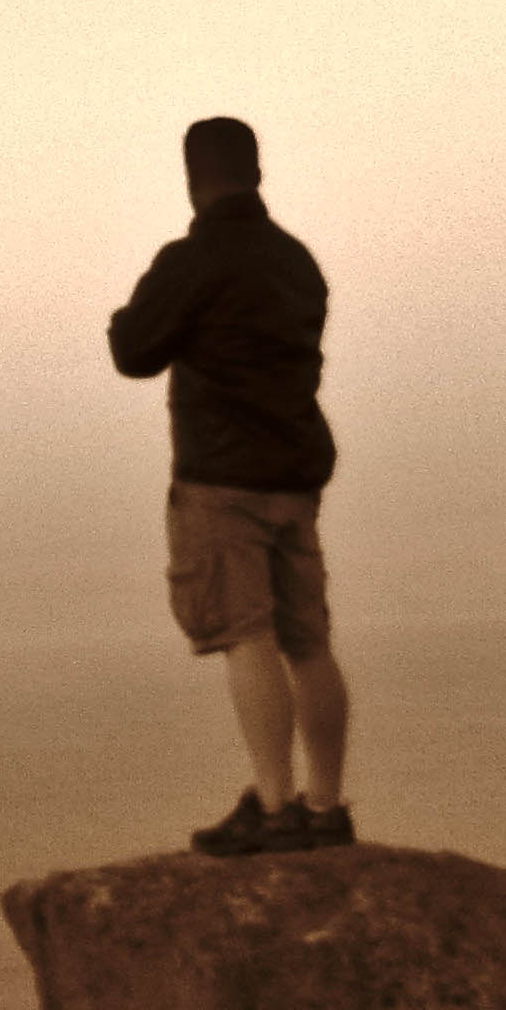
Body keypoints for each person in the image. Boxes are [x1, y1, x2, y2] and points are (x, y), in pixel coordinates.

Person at [107, 115, 351, 856]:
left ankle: (274, 806)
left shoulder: (194, 258)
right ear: (258, 172)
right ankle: (326, 805)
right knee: (309, 640)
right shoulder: (295, 261)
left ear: (192, 179)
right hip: (296, 472)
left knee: (245, 634)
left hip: (222, 474)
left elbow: (133, 348)